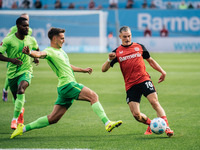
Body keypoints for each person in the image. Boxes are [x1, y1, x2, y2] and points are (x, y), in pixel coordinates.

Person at [10, 27, 122, 139]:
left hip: (63, 87)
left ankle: (23, 128)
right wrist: (30, 52)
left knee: (53, 118)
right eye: (62, 38)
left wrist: (82, 70)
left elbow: (67, 66)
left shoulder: (61, 51)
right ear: (54, 38)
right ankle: (107, 123)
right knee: (93, 96)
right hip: (68, 85)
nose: (64, 40)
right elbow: (39, 54)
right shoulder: (50, 51)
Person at [101, 26, 174, 137]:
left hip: (144, 79)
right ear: (120, 37)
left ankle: (167, 127)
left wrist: (162, 71)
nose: (127, 38)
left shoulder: (139, 47)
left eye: (129, 36)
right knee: (136, 115)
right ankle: (151, 124)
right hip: (130, 85)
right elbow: (103, 69)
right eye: (124, 36)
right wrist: (109, 60)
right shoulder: (117, 52)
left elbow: (151, 61)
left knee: (154, 102)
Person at [0, 17, 40, 130]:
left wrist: (36, 58)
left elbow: (37, 49)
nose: (27, 28)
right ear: (17, 26)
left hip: (26, 70)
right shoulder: (8, 40)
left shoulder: (31, 39)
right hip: (12, 73)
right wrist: (12, 60)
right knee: (17, 98)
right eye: (24, 26)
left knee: (21, 89)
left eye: (28, 26)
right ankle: (20, 112)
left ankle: (14, 119)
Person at [2, 13, 34, 102]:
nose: (27, 27)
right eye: (24, 19)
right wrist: (11, 58)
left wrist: (35, 56)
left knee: (21, 89)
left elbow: (30, 42)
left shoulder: (30, 31)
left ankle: (20, 95)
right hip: (13, 56)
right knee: (11, 75)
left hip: (25, 63)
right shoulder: (12, 30)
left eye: (27, 20)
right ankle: (5, 90)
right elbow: (8, 40)